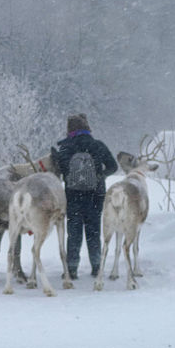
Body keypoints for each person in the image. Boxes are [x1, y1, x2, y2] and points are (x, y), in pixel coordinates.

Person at [53, 113, 117, 279]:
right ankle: (96, 266)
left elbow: (60, 170)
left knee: (74, 232)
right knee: (93, 231)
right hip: (95, 195)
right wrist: (100, 176)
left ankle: (72, 269)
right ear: (87, 127)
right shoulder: (98, 145)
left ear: (70, 129)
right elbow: (113, 166)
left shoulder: (66, 147)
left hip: (73, 196)